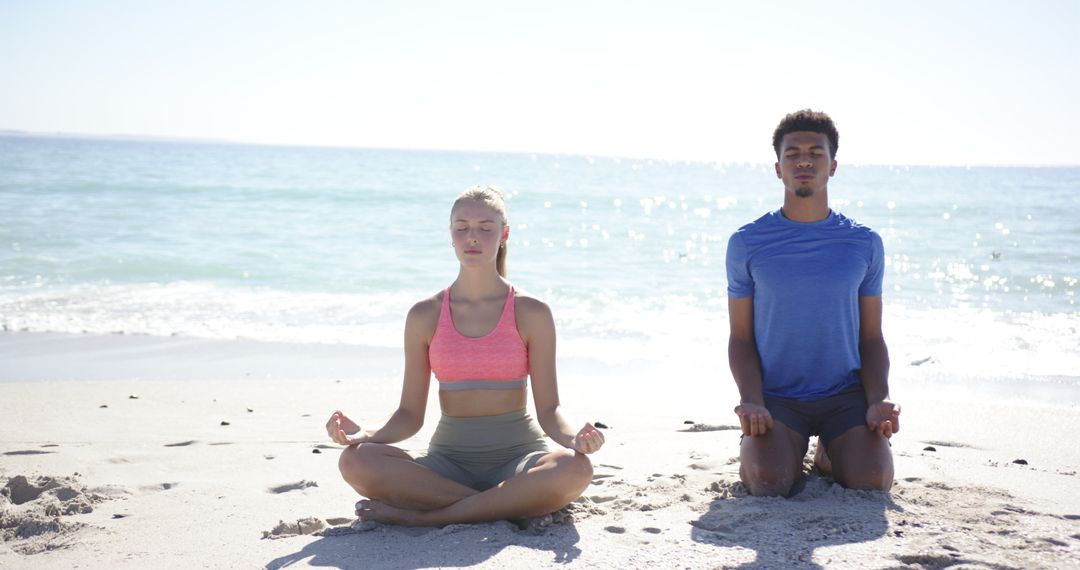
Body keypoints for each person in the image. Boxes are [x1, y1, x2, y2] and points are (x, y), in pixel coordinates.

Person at [327, 185, 603, 526]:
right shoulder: (425, 315)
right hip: (448, 465)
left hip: (518, 460)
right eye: (462, 227)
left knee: (575, 468)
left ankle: (426, 518)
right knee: (355, 461)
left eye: (485, 228)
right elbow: (409, 415)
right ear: (451, 234)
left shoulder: (531, 312)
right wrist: (364, 433)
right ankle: (508, 503)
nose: (472, 237)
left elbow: (550, 411)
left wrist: (575, 438)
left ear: (504, 234)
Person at [725, 109, 900, 497]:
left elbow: (872, 337)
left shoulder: (864, 243)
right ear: (778, 168)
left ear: (833, 166)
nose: (804, 161)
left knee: (873, 482)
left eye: (816, 153)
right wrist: (751, 401)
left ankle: (830, 450)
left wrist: (878, 399)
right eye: (792, 154)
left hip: (845, 396)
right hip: (777, 398)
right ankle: (785, 446)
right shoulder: (747, 243)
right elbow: (741, 338)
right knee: (767, 483)